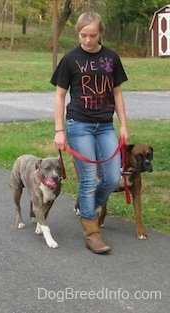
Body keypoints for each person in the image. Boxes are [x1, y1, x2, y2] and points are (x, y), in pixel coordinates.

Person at [51, 12, 128, 254]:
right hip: (78, 124)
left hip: (105, 125)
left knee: (113, 178)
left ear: (100, 33)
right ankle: (92, 233)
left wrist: (124, 125)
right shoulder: (70, 59)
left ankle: (88, 208)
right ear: (78, 34)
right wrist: (59, 130)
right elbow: (60, 95)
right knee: (87, 180)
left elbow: (116, 93)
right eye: (83, 35)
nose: (87, 40)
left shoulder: (111, 58)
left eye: (92, 35)